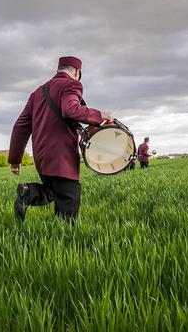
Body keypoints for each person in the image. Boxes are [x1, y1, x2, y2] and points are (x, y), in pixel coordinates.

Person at [8, 56, 112, 222]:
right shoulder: (72, 84)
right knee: (69, 198)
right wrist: (100, 115)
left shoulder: (37, 93)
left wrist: (15, 159)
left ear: (59, 69)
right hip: (61, 155)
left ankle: (29, 192)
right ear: (77, 72)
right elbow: (70, 109)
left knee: (52, 191)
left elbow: (20, 126)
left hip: (41, 156)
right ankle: (63, 241)